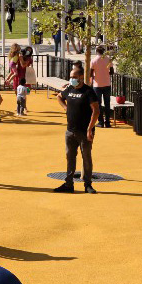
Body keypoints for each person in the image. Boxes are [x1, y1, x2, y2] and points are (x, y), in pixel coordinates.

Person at [54, 61, 99, 194]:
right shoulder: (70, 89)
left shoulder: (88, 91)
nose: (71, 79)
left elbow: (96, 111)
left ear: (80, 77)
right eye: (71, 77)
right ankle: (69, 184)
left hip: (84, 132)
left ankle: (88, 184)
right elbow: (59, 96)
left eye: (73, 77)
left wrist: (90, 129)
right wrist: (65, 108)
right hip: (70, 131)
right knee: (70, 157)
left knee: (86, 157)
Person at [89, 44, 113, 128]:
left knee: (98, 104)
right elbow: (112, 71)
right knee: (107, 103)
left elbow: (90, 73)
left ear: (96, 52)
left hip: (97, 84)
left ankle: (100, 121)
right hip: (107, 83)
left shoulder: (94, 60)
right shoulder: (108, 59)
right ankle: (108, 122)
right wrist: (106, 73)